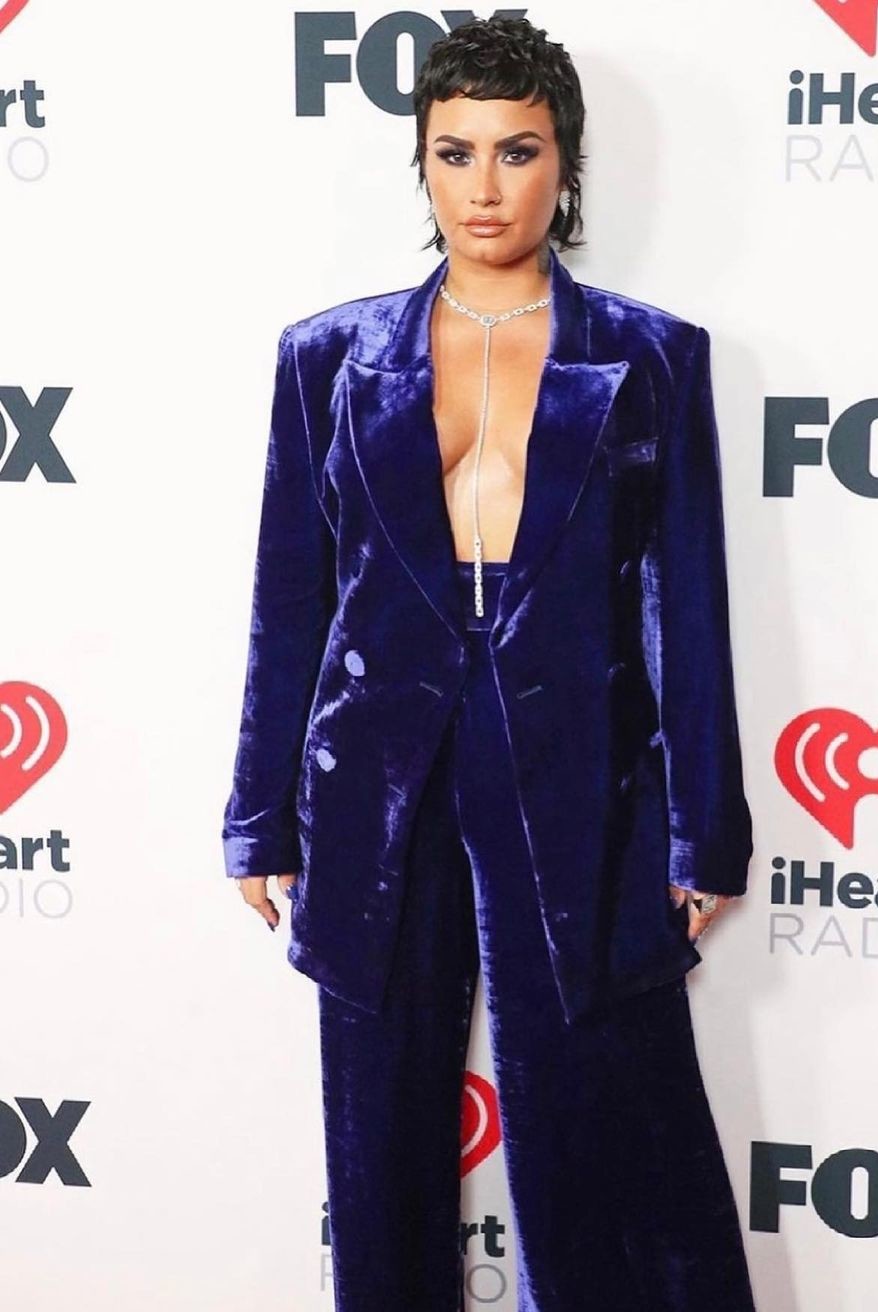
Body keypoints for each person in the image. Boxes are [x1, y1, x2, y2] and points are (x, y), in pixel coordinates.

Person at [222, 16, 757, 1311]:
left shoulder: (651, 355)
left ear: (564, 164)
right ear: (420, 163)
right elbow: (290, 595)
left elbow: (687, 599)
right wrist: (259, 816)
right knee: (378, 1128)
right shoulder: (327, 357)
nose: (484, 186)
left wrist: (704, 829)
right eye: (454, 152)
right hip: (375, 773)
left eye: (517, 151)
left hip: (581, 768)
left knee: (607, 1128)